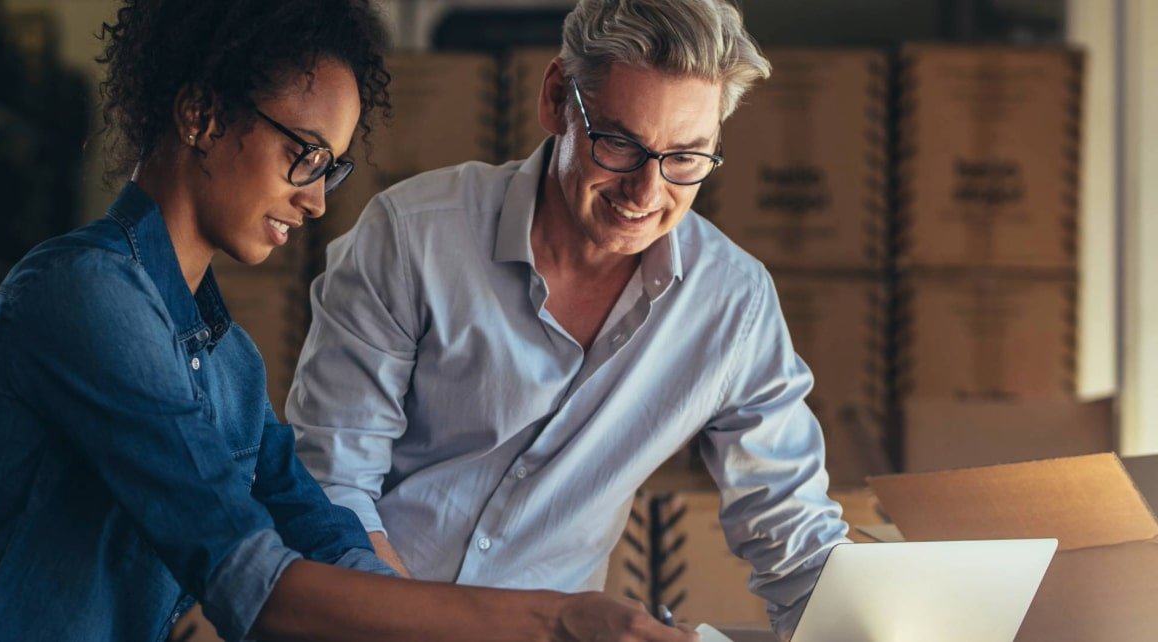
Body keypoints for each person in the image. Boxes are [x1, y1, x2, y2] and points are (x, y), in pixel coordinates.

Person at [0, 1, 692, 640]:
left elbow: (319, 532)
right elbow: (249, 582)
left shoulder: (226, 360)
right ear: (200, 115)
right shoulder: (82, 298)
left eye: (333, 167)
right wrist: (550, 622)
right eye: (303, 154)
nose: (317, 196)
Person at [288, 0, 848, 638]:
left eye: (686, 159)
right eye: (619, 144)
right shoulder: (412, 239)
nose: (646, 194)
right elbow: (331, 492)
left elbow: (795, 540)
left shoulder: (732, 305)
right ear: (557, 99)